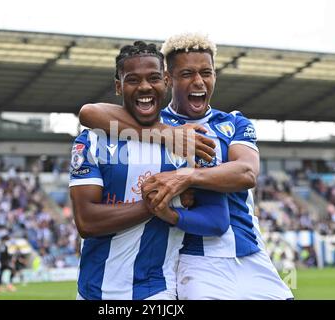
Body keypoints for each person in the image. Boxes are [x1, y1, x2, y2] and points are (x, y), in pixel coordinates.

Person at [79, 32, 293, 300]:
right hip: (194, 259)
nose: (198, 81)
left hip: (249, 249)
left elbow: (246, 172)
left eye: (206, 72)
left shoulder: (235, 122)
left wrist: (188, 176)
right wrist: (166, 134)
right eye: (187, 74)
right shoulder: (154, 120)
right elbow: (90, 113)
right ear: (168, 79)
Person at [69, 40, 229, 300]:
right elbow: (87, 221)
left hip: (157, 291)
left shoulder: (191, 141)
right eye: (133, 80)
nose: (144, 87)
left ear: (166, 81)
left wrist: (176, 215)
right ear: (119, 86)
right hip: (93, 292)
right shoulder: (93, 140)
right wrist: (159, 204)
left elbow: (217, 220)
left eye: (154, 78)